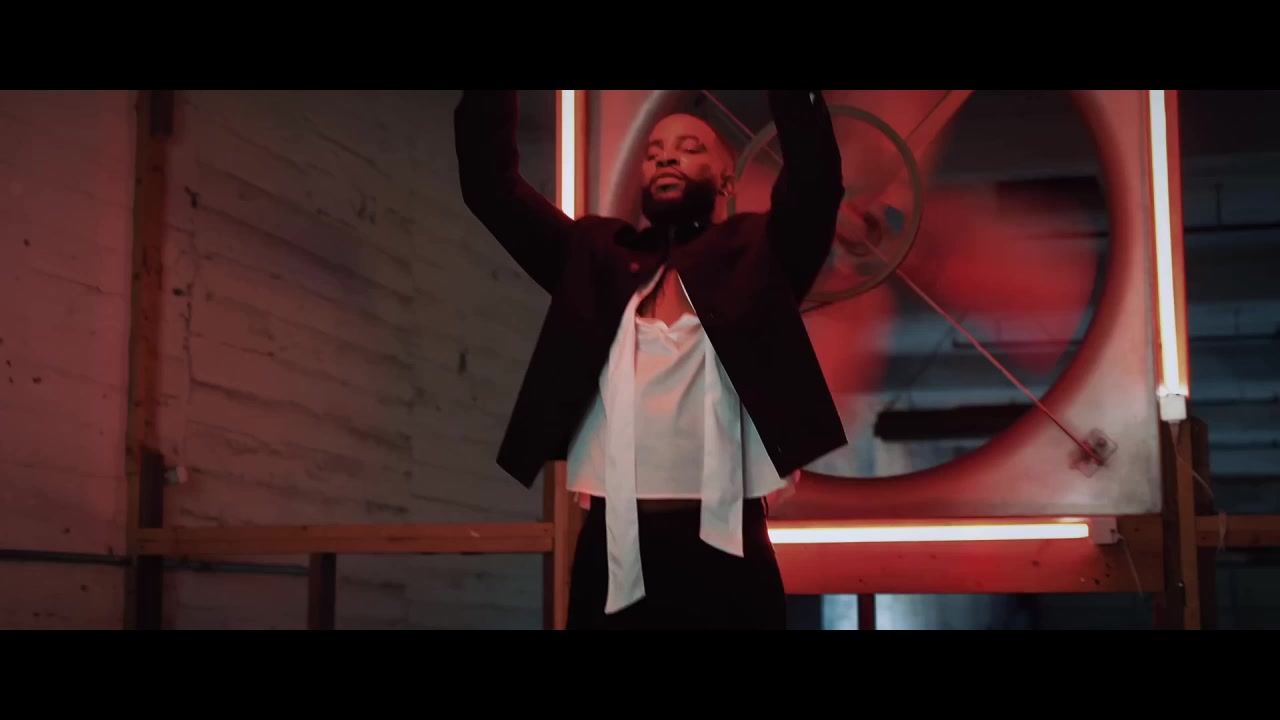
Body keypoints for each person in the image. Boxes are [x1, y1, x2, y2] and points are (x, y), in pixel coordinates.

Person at [454, 90, 846, 629]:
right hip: (614, 547)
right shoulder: (595, 256)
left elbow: (816, 182)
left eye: (689, 148)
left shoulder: (759, 255)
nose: (666, 158)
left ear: (728, 179)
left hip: (729, 547)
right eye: (654, 151)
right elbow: (490, 188)